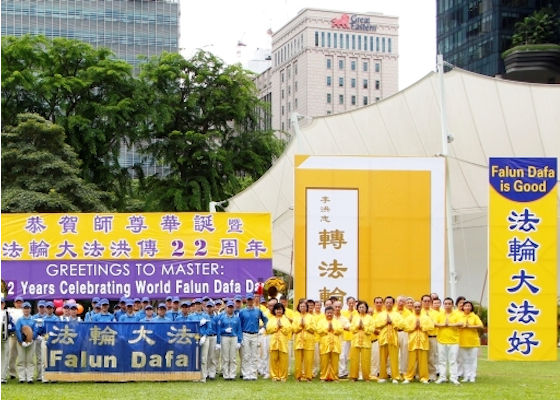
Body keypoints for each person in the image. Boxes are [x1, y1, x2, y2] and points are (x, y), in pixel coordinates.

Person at [402, 301, 434, 384]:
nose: (417, 308)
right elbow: (405, 328)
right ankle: (409, 377)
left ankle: (424, 378)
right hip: (412, 342)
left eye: (419, 307)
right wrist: (414, 327)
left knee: (423, 362)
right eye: (415, 307)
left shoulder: (426, 317)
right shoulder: (409, 318)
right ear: (413, 307)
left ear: (421, 307)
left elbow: (431, 327)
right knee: (411, 361)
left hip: (423, 342)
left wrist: (422, 327)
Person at [434, 297, 464, 385]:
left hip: (453, 341)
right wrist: (443, 325)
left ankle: (453, 377)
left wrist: (450, 325)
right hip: (441, 340)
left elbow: (461, 323)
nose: (447, 305)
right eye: (446, 304)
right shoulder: (440, 314)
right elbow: (434, 323)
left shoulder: (457, 314)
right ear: (444, 305)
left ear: (452, 305)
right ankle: (442, 377)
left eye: (449, 304)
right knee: (442, 360)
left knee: (452, 361)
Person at [239, 293, 268, 381]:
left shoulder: (258, 311)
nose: (250, 301)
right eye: (248, 300)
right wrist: (240, 338)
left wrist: (263, 328)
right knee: (246, 355)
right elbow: (239, 325)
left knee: (254, 355)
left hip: (255, 334)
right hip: (245, 334)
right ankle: (246, 374)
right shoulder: (242, 311)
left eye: (251, 299)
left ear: (253, 300)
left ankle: (253, 374)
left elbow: (266, 320)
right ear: (246, 301)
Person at [376, 296, 404, 384]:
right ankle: (383, 376)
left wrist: (392, 322)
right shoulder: (380, 314)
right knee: (382, 358)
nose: (388, 304)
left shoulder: (397, 314)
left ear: (393, 303)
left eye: (390, 303)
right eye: (387, 303)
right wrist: (385, 322)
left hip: (393, 338)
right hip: (383, 338)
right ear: (384, 304)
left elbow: (401, 325)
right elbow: (376, 324)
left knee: (394, 358)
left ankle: (395, 376)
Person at [316, 305, 344, 381]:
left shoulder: (337, 322)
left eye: (331, 313)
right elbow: (318, 330)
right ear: (325, 313)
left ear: (333, 313)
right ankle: (323, 376)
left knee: (334, 362)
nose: (329, 314)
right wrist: (327, 329)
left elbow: (341, 330)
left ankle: (334, 377)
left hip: (335, 344)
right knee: (324, 361)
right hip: (325, 344)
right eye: (328, 313)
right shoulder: (321, 322)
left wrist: (333, 329)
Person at [349, 301, 374, 382]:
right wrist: (357, 327)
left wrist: (364, 328)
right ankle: (354, 376)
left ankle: (366, 377)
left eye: (363, 307)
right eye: (360, 307)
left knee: (366, 360)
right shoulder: (355, 318)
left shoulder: (370, 318)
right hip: (356, 341)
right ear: (358, 309)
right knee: (354, 359)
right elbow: (351, 329)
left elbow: (371, 329)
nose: (362, 309)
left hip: (366, 341)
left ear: (366, 308)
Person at [216, 301, 242, 380]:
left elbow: (239, 330)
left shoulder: (236, 318)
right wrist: (224, 330)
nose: (230, 309)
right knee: (225, 357)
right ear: (226, 308)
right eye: (229, 307)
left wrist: (239, 341)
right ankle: (226, 374)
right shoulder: (222, 317)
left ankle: (232, 374)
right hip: (225, 337)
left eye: (231, 307)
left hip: (234, 337)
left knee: (233, 357)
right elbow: (219, 330)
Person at [458, 301, 483, 383]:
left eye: (469, 306)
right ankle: (466, 376)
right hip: (462, 341)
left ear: (471, 307)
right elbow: (455, 325)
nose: (467, 308)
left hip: (473, 341)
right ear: (463, 307)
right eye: (466, 306)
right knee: (465, 360)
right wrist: (462, 326)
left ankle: (472, 376)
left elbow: (480, 325)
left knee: (472, 360)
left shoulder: (474, 316)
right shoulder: (459, 316)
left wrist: (470, 326)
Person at [266, 303, 291, 382]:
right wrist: (277, 327)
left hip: (283, 342)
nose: (278, 311)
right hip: (274, 342)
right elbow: (268, 329)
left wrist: (281, 327)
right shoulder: (271, 319)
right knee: (273, 359)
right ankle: (274, 376)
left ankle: (283, 376)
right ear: (274, 310)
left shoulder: (286, 319)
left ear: (283, 310)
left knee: (283, 360)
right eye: (277, 309)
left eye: (280, 309)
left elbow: (288, 330)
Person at [292, 301, 315, 381]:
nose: (302, 308)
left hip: (308, 341)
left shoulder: (311, 317)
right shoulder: (296, 318)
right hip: (298, 341)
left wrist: (306, 325)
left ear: (307, 308)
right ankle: (298, 377)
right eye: (301, 306)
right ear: (298, 308)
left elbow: (314, 329)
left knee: (308, 360)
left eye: (304, 306)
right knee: (298, 361)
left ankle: (308, 377)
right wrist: (300, 326)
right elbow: (294, 329)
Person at [37, 302, 59, 383]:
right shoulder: (42, 319)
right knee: (44, 359)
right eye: (48, 308)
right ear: (45, 309)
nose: (49, 309)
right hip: (45, 339)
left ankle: (54, 377)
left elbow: (58, 329)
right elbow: (40, 331)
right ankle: (45, 377)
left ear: (53, 309)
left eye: (51, 308)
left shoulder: (56, 319)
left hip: (54, 340)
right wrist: (39, 327)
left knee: (53, 359)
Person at [16, 302, 37, 383]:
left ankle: (30, 377)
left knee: (30, 359)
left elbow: (35, 330)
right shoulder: (20, 320)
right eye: (25, 308)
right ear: (22, 309)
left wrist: (31, 339)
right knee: (21, 359)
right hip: (21, 343)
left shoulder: (33, 320)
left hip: (31, 342)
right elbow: (18, 330)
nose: (26, 310)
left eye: (28, 308)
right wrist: (21, 341)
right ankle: (21, 377)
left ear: (30, 309)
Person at [421, 294, 440, 381]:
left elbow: (436, 324)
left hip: (432, 337)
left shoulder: (436, 313)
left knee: (431, 357)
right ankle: (419, 374)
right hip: (421, 337)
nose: (426, 303)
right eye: (425, 301)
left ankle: (432, 375)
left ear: (431, 302)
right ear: (422, 302)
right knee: (420, 356)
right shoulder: (418, 312)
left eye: (428, 301)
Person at [199, 300, 218, 382]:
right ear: (205, 308)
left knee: (212, 356)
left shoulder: (216, 317)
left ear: (213, 308)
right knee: (205, 356)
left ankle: (212, 373)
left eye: (211, 307)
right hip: (204, 337)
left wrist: (218, 341)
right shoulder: (204, 316)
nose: (209, 308)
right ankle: (205, 373)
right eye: (208, 307)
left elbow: (217, 328)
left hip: (213, 336)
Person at [340, 296, 357, 378]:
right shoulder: (342, 313)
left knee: (354, 356)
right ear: (346, 303)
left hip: (355, 337)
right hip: (345, 337)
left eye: (352, 303)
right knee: (344, 356)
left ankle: (354, 372)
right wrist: (349, 320)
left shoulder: (357, 313)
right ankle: (343, 372)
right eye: (349, 303)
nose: (351, 304)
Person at [7, 296, 24, 379]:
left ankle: (22, 374)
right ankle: (12, 373)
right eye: (17, 302)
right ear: (14, 303)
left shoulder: (25, 311)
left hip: (22, 334)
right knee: (11, 355)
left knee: (22, 355)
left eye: (20, 302)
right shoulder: (10, 311)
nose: (18, 304)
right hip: (13, 334)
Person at [396, 295, 412, 376]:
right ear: (396, 302)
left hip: (404, 333)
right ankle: (395, 372)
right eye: (399, 301)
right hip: (394, 332)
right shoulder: (393, 311)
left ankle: (404, 372)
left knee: (404, 353)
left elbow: (409, 324)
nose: (401, 303)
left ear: (405, 303)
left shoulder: (409, 313)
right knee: (395, 353)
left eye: (403, 301)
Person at [370, 297, 384, 380]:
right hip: (370, 339)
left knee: (378, 358)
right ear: (374, 303)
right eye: (377, 302)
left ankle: (377, 373)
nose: (378, 304)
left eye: (380, 302)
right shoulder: (371, 314)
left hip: (380, 338)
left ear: (382, 304)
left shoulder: (384, 314)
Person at [32, 300, 47, 382]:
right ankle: (39, 375)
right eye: (40, 307)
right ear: (38, 307)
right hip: (37, 339)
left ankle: (44, 374)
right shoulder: (34, 317)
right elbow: (32, 328)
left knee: (45, 358)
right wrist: (35, 336)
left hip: (45, 338)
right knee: (38, 357)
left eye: (43, 307)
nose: (41, 308)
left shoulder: (47, 317)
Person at [1, 298, 15, 384]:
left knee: (4, 358)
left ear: (4, 304)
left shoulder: (7, 314)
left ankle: (2, 377)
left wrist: (9, 329)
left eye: (1, 303)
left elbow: (13, 326)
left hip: (4, 339)